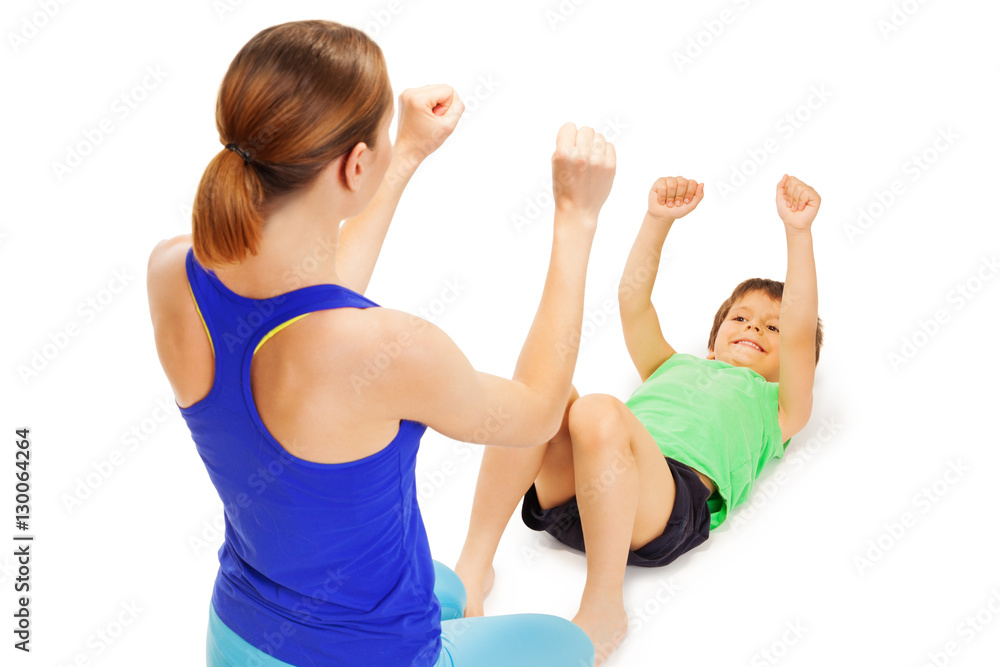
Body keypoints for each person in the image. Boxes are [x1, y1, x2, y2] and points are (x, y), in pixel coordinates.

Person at [145, 19, 615, 666]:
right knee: (567, 643)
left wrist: (408, 153)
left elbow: (308, 306)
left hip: (236, 640)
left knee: (446, 582)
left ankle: (465, 589)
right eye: (382, 144)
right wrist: (576, 214)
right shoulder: (392, 347)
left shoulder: (171, 270)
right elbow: (536, 410)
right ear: (355, 163)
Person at [454, 174, 825, 665]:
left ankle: (603, 604)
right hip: (580, 498)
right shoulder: (671, 364)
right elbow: (633, 300)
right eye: (740, 317)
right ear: (712, 342)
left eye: (772, 326)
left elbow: (801, 330)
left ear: (797, 365)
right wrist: (657, 222)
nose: (754, 325)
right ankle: (472, 569)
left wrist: (798, 233)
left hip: (661, 510)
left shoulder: (780, 407)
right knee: (548, 393)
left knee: (596, 410)